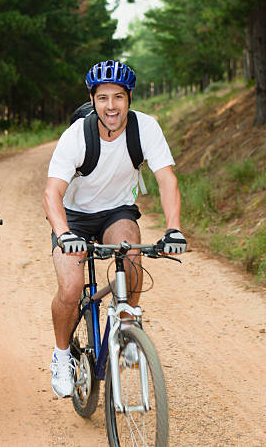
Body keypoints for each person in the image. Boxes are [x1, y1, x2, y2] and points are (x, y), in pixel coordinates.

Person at [43, 59, 186, 398]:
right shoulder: (76, 135)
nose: (111, 106)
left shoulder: (146, 128)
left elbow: (167, 180)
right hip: (74, 217)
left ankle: (127, 324)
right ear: (92, 100)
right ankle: (62, 356)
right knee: (71, 287)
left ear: (129, 98)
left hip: (116, 212)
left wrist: (174, 228)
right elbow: (52, 192)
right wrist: (64, 233)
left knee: (132, 257)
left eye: (118, 97)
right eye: (103, 97)